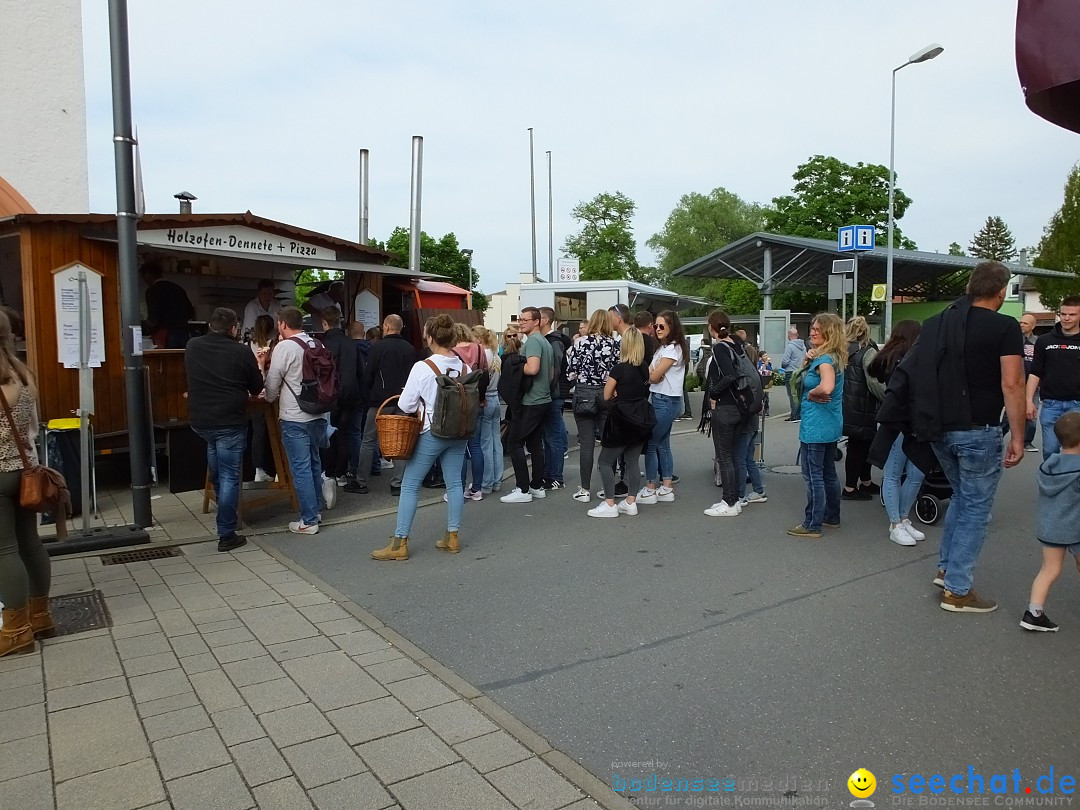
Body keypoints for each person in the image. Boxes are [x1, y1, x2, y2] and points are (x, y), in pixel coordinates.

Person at [873, 262, 1025, 612]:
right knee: (976, 508)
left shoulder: (938, 323)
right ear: (1001, 292)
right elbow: (1013, 383)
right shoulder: (1004, 326)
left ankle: (945, 569)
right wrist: (1017, 436)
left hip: (937, 429)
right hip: (979, 430)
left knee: (962, 497)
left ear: (971, 287)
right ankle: (958, 590)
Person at [371, 314, 471, 560]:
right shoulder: (465, 367)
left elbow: (405, 405)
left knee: (410, 484)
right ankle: (452, 537)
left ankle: (400, 543)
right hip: (459, 431)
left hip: (432, 431)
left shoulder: (423, 366)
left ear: (430, 337)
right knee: (455, 483)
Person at [185, 307, 264, 552]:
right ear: (234, 329)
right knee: (230, 475)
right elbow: (256, 387)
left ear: (210, 325)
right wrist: (259, 363)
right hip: (229, 420)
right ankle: (226, 532)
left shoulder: (192, 346)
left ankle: (223, 508)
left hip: (200, 420)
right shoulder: (240, 351)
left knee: (218, 467)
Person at [0, 309, 52, 657]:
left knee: (4, 549)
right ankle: (41, 615)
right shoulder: (23, 374)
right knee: (30, 543)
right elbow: (33, 427)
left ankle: (15, 630)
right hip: (27, 472)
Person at [263, 306, 330, 535]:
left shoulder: (284, 347)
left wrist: (269, 397)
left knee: (300, 469)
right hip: (319, 414)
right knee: (313, 463)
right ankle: (315, 510)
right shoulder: (316, 344)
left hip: (295, 416)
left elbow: (272, 383)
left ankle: (309, 520)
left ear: (282, 324)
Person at [787, 313, 847, 538]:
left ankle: (813, 523)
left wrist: (813, 392)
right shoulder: (832, 357)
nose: (812, 332)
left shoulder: (825, 361)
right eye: (812, 328)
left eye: (817, 330)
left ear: (829, 333)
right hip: (829, 424)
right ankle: (832, 516)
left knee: (814, 476)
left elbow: (827, 387)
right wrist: (806, 361)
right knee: (828, 473)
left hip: (816, 427)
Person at [867, 320, 925, 546]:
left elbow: (876, 373)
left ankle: (901, 519)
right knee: (903, 472)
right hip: (903, 423)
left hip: (905, 422)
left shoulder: (892, 358)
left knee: (908, 473)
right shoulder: (906, 360)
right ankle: (896, 522)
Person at [1021, 411, 1080, 632]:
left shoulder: (1049, 466)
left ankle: (1034, 613)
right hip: (1075, 528)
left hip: (1050, 527)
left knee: (1049, 569)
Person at [588, 328, 650, 519]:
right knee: (632, 461)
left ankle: (609, 503)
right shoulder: (644, 367)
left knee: (605, 461)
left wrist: (616, 395)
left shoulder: (619, 369)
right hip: (641, 419)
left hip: (621, 419)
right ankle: (631, 502)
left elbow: (606, 396)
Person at [354, 314, 415, 495]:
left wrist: (368, 395)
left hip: (380, 402)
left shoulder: (377, 347)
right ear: (400, 327)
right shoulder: (410, 349)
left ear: (386, 327)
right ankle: (397, 483)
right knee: (400, 443)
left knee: (368, 440)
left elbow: (368, 374)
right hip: (403, 401)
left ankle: (361, 481)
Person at [702, 310, 752, 517]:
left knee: (725, 457)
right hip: (741, 406)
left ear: (711, 328)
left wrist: (713, 391)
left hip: (725, 407)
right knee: (732, 456)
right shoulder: (736, 344)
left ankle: (729, 502)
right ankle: (734, 499)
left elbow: (729, 375)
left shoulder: (721, 348)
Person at [500, 307, 553, 504]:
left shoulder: (532, 342)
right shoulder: (545, 342)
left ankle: (523, 489)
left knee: (514, 442)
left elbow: (533, 368)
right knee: (534, 444)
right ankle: (536, 486)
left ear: (537, 322)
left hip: (531, 400)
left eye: (525, 320)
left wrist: (513, 366)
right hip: (543, 398)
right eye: (519, 319)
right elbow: (551, 373)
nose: (521, 322)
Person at [565, 308, 617, 502]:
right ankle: (607, 488)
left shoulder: (580, 343)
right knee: (608, 442)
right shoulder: (615, 345)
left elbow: (570, 372)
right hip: (607, 393)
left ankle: (585, 489)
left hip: (584, 393)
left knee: (586, 445)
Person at [639, 310, 687, 505]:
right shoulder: (664, 348)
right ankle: (666, 486)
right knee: (663, 444)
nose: (657, 329)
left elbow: (652, 375)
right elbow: (651, 373)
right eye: (655, 325)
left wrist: (653, 375)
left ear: (671, 327)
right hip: (664, 398)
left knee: (652, 444)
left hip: (665, 399)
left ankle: (651, 487)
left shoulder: (672, 349)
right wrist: (653, 374)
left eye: (661, 326)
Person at [1027, 297, 1080, 460]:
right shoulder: (1044, 341)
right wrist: (1028, 401)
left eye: (1072, 314)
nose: (1067, 318)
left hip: (1077, 404)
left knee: (1075, 452)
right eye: (1063, 314)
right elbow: (1035, 372)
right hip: (1051, 404)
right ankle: (1053, 484)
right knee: (1050, 451)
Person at [318, 307, 361, 502]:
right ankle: (342, 472)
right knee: (344, 433)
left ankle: (329, 472)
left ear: (324, 323)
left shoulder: (322, 344)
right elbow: (359, 370)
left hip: (329, 396)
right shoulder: (350, 344)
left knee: (328, 434)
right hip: (350, 394)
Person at [841, 316, 883, 501]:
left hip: (846, 406)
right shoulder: (867, 352)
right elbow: (874, 383)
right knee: (861, 447)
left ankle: (865, 481)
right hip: (863, 406)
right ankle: (850, 488)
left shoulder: (842, 350)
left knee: (860, 445)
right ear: (866, 332)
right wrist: (888, 397)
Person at [452, 323, 486, 500]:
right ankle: (477, 488)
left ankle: (459, 488)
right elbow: (485, 376)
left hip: (459, 404)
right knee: (476, 445)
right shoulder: (479, 349)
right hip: (477, 401)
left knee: (460, 448)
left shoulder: (452, 352)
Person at [539, 307, 571, 490]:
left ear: (543, 320)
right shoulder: (553, 340)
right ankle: (549, 474)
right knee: (550, 437)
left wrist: (547, 389)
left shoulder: (554, 342)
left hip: (554, 394)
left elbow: (555, 369)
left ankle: (555, 476)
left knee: (553, 437)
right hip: (553, 393)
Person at [474, 326, 504, 494]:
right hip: (496, 398)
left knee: (485, 443)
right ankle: (497, 480)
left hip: (485, 399)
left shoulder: (483, 355)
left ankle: (486, 483)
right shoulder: (496, 356)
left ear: (479, 339)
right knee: (495, 442)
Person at [250, 314, 278, 483]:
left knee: (258, 432)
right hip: (270, 391)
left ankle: (258, 469)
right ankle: (279, 471)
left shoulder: (248, 345)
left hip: (253, 393)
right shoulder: (274, 346)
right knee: (276, 432)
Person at [141, 261, 194, 349]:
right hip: (184, 334)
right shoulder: (178, 289)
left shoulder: (153, 291)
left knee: (165, 361)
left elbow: (153, 319)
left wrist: (144, 327)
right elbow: (191, 313)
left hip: (165, 336)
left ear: (147, 274)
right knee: (180, 361)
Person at [1018, 312, 1040, 452]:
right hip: (1017, 385)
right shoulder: (1014, 340)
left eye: (1025, 323)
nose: (1022, 325)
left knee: (1032, 417)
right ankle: (998, 438)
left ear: (1033, 326)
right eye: (1021, 322)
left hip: (1033, 385)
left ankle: (1027, 442)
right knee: (1010, 417)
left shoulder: (1038, 342)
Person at [781, 327, 807, 421]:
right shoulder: (803, 347)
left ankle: (794, 415)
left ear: (789, 335)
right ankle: (799, 414)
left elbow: (785, 361)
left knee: (792, 394)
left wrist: (783, 366)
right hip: (801, 372)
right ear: (797, 335)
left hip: (791, 372)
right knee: (799, 394)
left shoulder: (790, 346)